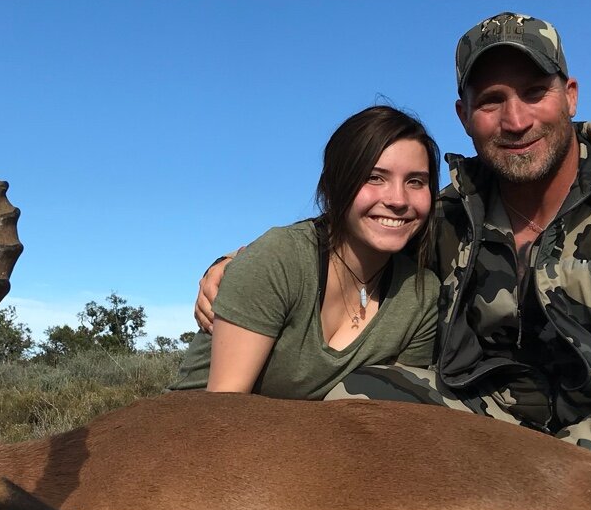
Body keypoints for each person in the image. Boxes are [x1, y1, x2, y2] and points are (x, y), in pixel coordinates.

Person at [196, 12, 591, 492]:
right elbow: (351, 226)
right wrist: (232, 267)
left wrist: (530, 481)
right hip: (503, 434)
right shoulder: (448, 214)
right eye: (491, 101)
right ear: (464, 117)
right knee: (359, 399)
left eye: (534, 93)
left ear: (570, 96)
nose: (515, 121)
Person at [171, 106, 442, 399]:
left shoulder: (421, 296)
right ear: (334, 185)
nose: (398, 199)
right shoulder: (280, 260)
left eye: (416, 181)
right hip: (195, 432)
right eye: (375, 177)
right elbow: (224, 410)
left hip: (304, 439)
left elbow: (394, 411)